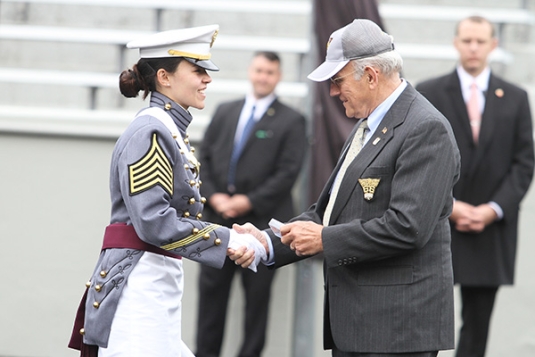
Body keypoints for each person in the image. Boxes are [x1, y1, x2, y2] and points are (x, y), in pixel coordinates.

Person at [230, 19, 461, 357]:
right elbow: (328, 211)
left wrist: (323, 239)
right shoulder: (367, 125)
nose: (333, 92)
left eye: (337, 81)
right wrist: (266, 241)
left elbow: (407, 227)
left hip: (396, 331)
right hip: (359, 324)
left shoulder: (425, 128)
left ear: (371, 76)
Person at [67, 24, 266, 357]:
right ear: (164, 76)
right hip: (139, 284)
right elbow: (154, 222)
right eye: (197, 69)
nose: (207, 79)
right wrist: (228, 240)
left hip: (154, 278)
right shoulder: (152, 131)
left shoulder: (168, 128)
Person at [416, 16, 535, 357]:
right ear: (456, 42)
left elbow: (524, 163)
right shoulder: (429, 92)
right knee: (422, 323)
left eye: (480, 41)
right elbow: (418, 158)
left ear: (493, 46)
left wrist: (492, 210)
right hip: (436, 225)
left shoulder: (515, 98)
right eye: (467, 40)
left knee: (476, 329)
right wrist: (450, 205)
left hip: (490, 230)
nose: (473, 47)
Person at [195, 51, 307, 357]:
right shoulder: (225, 111)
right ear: (250, 71)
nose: (263, 77)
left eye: (270, 72)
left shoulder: (292, 120)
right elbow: (202, 157)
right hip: (216, 222)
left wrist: (247, 201)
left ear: (278, 77)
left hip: (261, 226)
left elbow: (288, 172)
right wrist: (215, 196)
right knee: (210, 299)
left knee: (256, 305)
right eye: (259, 70)